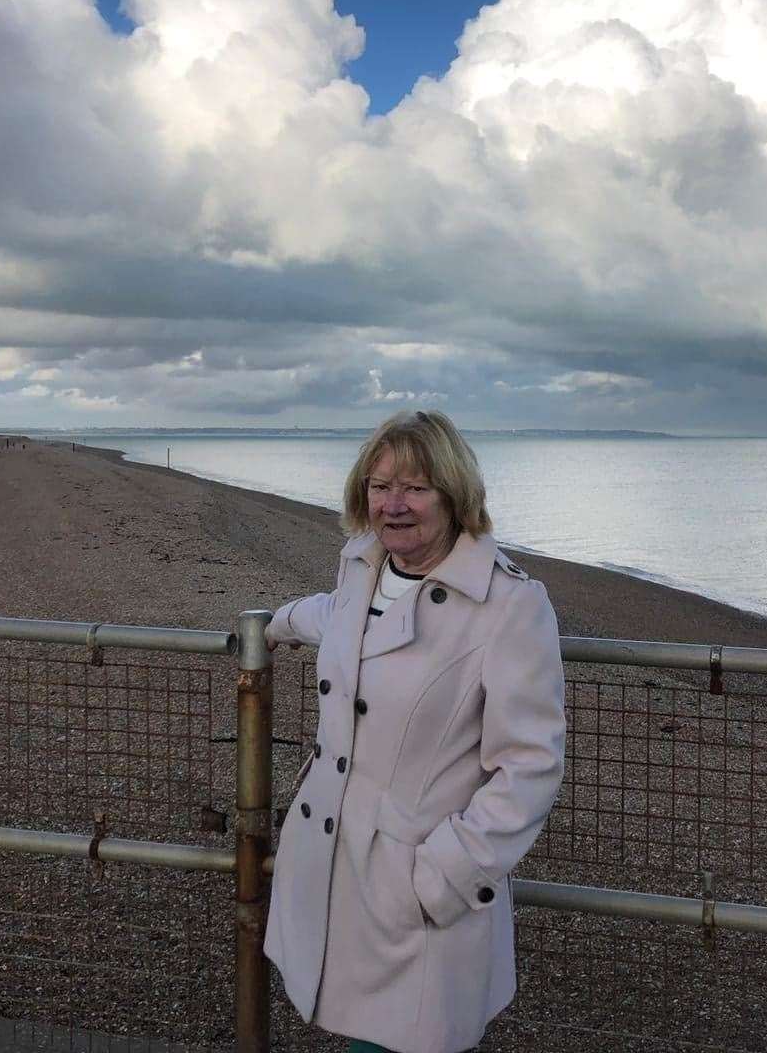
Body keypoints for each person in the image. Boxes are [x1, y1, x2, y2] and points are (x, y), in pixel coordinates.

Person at [264, 410, 566, 1053]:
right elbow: (339, 618)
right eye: (378, 486)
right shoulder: (363, 571)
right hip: (337, 867)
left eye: (414, 488)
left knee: (405, 1036)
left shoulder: (510, 606)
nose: (392, 505)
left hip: (419, 891)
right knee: (358, 1031)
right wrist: (272, 622)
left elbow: (531, 765)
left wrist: (448, 875)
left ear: (454, 496)